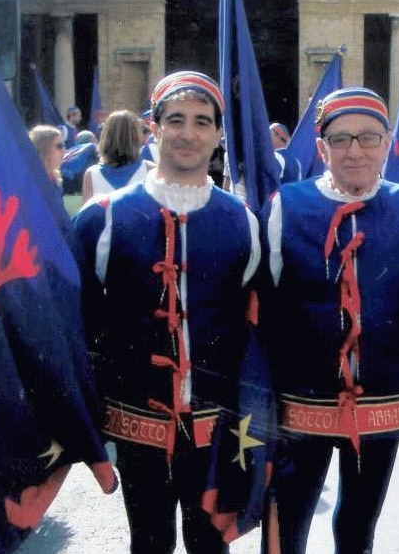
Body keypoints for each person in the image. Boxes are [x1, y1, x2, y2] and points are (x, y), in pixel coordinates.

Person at [73, 71, 261, 554]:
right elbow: (79, 323)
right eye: (175, 120)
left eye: (202, 121)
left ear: (219, 134)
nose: (188, 133)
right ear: (153, 128)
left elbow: (253, 329)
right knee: (149, 541)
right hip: (137, 424)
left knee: (209, 544)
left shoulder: (243, 221)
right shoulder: (103, 217)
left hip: (216, 428)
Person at [260, 87, 399, 554]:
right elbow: (265, 312)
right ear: (321, 148)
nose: (354, 150)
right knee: (286, 520)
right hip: (301, 403)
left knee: (358, 526)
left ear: (387, 143)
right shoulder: (284, 207)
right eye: (340, 139)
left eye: (368, 138)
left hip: (382, 401)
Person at [81, 109, 149, 203]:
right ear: (136, 136)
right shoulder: (151, 170)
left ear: (106, 136)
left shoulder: (91, 174)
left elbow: (87, 216)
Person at [29, 124, 66, 194]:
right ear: (44, 148)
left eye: (64, 145)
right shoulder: (30, 180)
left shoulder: (55, 179)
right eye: (59, 146)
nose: (64, 150)